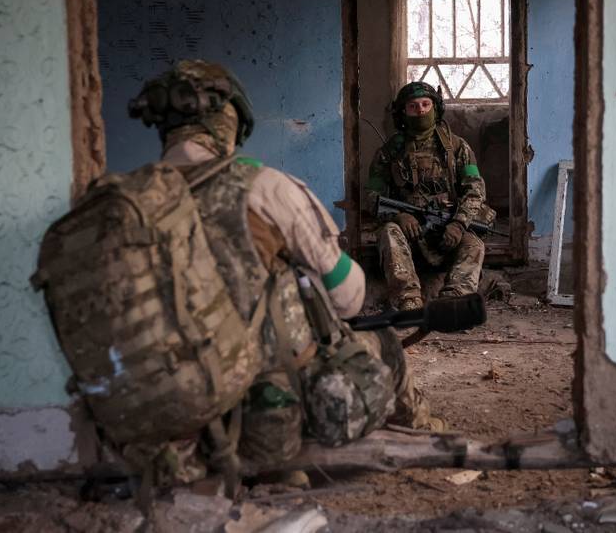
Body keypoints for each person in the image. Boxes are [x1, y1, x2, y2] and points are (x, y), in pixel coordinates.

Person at [126, 60, 439, 486]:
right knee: (380, 335)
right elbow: (347, 297)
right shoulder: (264, 187)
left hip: (158, 412)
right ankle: (423, 435)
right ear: (232, 120)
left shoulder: (127, 201)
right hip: (261, 411)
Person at [366, 82, 489, 311]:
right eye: (413, 106)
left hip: (446, 229)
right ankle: (408, 300)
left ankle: (454, 301)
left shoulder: (457, 147)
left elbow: (475, 190)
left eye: (425, 104)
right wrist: (399, 216)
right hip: (410, 234)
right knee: (388, 232)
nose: (421, 110)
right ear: (403, 112)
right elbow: (372, 196)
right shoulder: (389, 153)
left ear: (436, 107)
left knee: (474, 243)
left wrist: (458, 224)